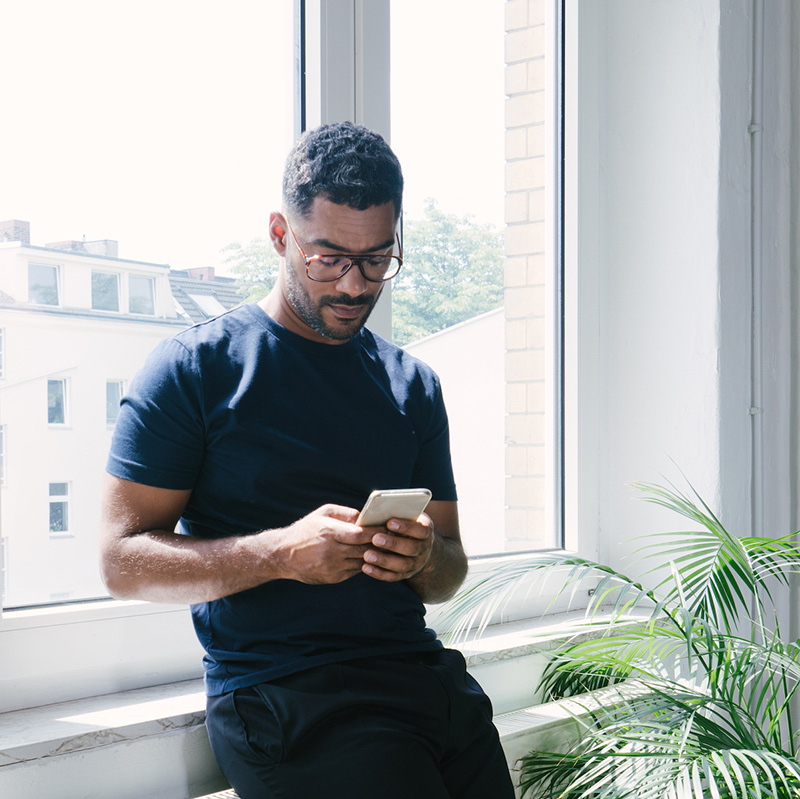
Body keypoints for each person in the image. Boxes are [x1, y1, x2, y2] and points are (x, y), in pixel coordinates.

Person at [100, 121, 515, 799]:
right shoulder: (195, 369)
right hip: (294, 702)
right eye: (329, 258)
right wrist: (275, 554)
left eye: (377, 259)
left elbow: (450, 570)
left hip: (431, 687)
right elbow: (120, 563)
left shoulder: (413, 383)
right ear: (278, 234)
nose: (355, 285)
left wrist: (421, 558)